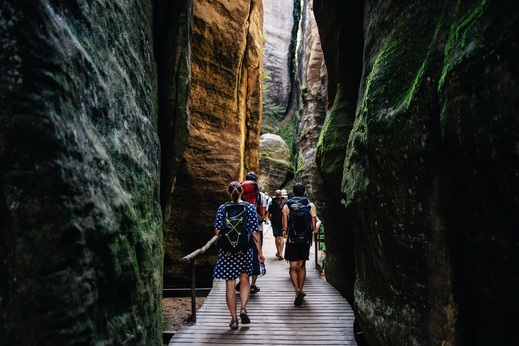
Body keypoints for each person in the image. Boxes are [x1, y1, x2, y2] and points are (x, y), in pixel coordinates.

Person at [213, 181, 265, 329]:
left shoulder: (222, 208)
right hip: (244, 250)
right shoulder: (249, 207)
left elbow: (217, 230)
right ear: (241, 192)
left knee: (230, 284)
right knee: (244, 279)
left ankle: (234, 320)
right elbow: (254, 231)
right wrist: (259, 252)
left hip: (227, 252)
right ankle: (243, 308)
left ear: (229, 192)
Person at [282, 183, 318, 306]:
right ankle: (300, 290)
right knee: (302, 267)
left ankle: (296, 290)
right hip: (305, 240)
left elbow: (285, 227)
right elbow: (313, 227)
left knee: (293, 267)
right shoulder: (310, 205)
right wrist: (315, 228)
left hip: (292, 239)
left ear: (293, 193)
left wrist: (285, 233)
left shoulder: (287, 205)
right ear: (304, 192)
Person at [238, 172, 267, 294]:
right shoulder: (261, 197)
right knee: (256, 255)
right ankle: (253, 285)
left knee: (242, 255)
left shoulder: (240, 195)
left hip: (241, 231)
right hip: (257, 230)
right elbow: (263, 212)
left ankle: (243, 281)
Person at [267, 189, 286, 260]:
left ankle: (278, 252)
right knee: (281, 237)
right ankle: (281, 253)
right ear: (281, 195)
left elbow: (268, 214)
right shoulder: (284, 203)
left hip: (275, 221)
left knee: (277, 237)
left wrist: (270, 220)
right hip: (283, 221)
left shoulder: (272, 203)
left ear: (275, 195)